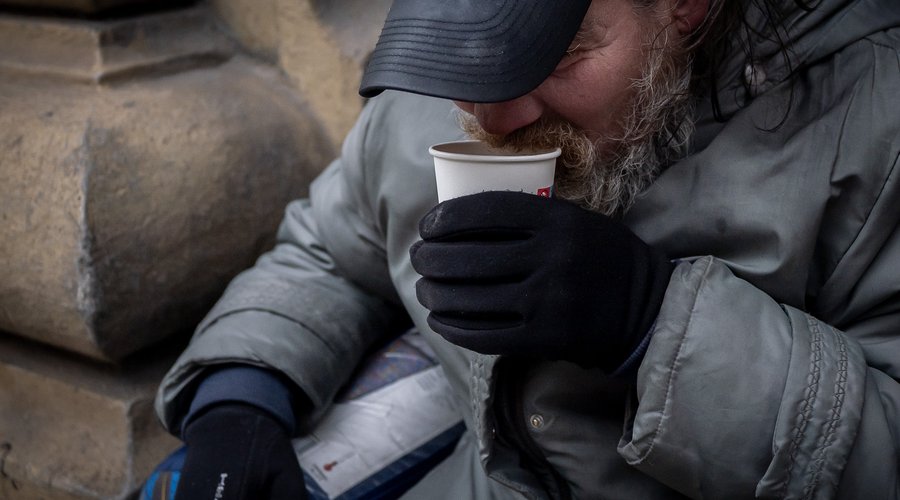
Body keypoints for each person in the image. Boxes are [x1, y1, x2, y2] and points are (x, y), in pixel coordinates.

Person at [153, 0, 900, 498]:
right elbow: (327, 250)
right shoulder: (435, 95)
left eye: (556, 52)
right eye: (464, 48)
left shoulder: (876, 127)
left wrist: (651, 323)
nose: (492, 113)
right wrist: (239, 400)